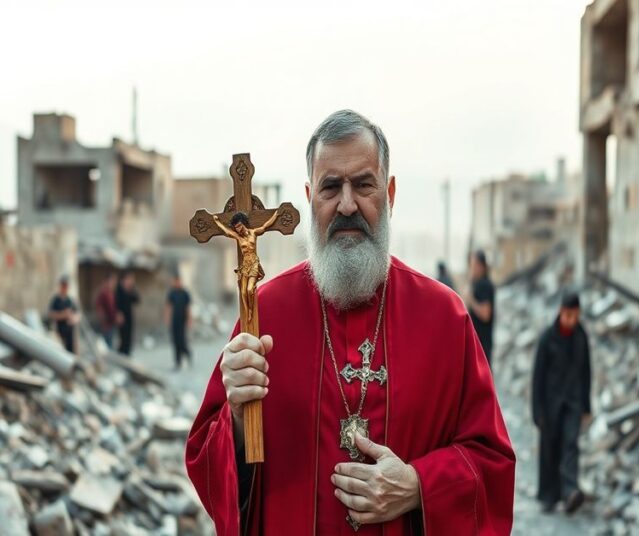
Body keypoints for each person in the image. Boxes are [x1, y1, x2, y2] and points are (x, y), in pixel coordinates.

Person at [186, 109, 515, 535]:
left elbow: (492, 462)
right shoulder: (264, 313)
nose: (346, 204)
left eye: (363, 185)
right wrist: (235, 415)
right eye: (330, 187)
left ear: (389, 193)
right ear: (309, 197)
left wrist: (418, 486)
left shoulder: (444, 318)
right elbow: (205, 461)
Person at [532, 291, 592, 515]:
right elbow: (537, 377)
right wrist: (536, 410)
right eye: (568, 315)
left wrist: (586, 406)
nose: (571, 320)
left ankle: (570, 493)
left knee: (570, 445)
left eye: (575, 315)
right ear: (560, 312)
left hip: (573, 403)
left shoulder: (581, 337)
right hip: (550, 404)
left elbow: (587, 372)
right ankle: (549, 496)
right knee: (549, 449)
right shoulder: (547, 338)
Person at [466, 250, 496, 364]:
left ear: (481, 266)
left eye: (474, 265)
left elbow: (485, 314)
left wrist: (471, 301)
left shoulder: (484, 285)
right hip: (476, 343)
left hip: (482, 343)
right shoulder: (476, 284)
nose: (472, 268)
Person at [165, 272, 193, 369]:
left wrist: (189, 319)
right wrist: (168, 319)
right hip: (174, 321)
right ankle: (178, 362)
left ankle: (188, 354)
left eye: (178, 281)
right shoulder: (172, 293)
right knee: (175, 341)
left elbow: (188, 308)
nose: (176, 282)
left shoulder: (185, 293)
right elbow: (168, 307)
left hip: (182, 321)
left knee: (181, 340)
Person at [47, 275, 78, 353]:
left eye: (66, 286)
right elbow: (51, 314)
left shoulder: (70, 300)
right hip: (60, 332)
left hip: (70, 333)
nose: (65, 288)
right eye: (63, 285)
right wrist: (63, 315)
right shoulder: (56, 300)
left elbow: (77, 314)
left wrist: (74, 319)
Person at [115, 271, 140, 356]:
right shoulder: (119, 289)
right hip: (121, 316)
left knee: (129, 335)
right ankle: (121, 353)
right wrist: (118, 313)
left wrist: (131, 289)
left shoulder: (131, 289)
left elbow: (137, 300)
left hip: (129, 315)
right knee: (123, 336)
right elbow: (116, 302)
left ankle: (127, 353)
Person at [95, 272, 119, 347]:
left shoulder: (111, 293)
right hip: (106, 325)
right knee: (106, 347)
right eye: (112, 281)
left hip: (111, 324)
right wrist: (103, 321)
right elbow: (99, 308)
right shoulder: (104, 293)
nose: (113, 284)